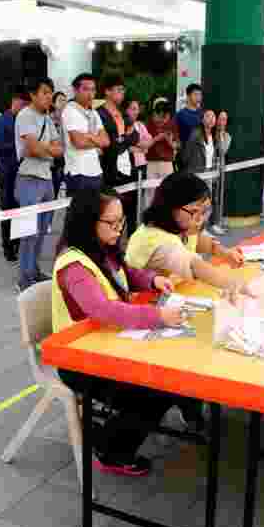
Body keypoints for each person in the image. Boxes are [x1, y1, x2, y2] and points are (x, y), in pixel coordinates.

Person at [53, 187, 181, 475]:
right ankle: (112, 450)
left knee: (164, 380)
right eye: (111, 223)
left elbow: (125, 274)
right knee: (157, 389)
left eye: (121, 221)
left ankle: (115, 431)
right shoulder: (74, 265)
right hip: (79, 361)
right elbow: (104, 310)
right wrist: (158, 316)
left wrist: (152, 280)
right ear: (88, 222)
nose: (119, 228)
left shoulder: (103, 249)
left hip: (107, 346)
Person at [125, 171, 251, 431]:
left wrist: (223, 251)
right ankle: (187, 405)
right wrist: (233, 284)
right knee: (195, 349)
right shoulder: (155, 238)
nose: (200, 219)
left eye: (205, 211)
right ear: (170, 208)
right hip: (140, 316)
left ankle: (190, 404)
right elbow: (194, 265)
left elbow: (198, 241)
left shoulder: (182, 225)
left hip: (168, 304)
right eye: (195, 212)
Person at [15, 76, 63, 291]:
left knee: (42, 230)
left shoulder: (47, 119)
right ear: (33, 95)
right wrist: (48, 150)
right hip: (28, 178)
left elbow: (59, 149)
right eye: (44, 92)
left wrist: (44, 149)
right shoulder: (25, 116)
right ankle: (23, 278)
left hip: (46, 179)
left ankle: (34, 271)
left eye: (50, 93)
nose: (49, 97)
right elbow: (31, 149)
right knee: (28, 232)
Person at [97, 75, 140, 227]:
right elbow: (108, 144)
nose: (122, 93)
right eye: (119, 89)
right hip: (109, 172)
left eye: (123, 90)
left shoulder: (123, 113)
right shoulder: (99, 114)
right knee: (110, 217)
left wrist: (122, 138)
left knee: (130, 215)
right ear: (107, 91)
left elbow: (135, 136)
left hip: (128, 170)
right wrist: (123, 138)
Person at [0, 89, 29, 263]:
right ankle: (8, 247)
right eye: (23, 103)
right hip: (8, 173)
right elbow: (1, 147)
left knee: (22, 209)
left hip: (24, 172)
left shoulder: (25, 120)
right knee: (8, 209)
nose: (24, 107)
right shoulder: (1, 121)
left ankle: (19, 243)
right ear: (15, 101)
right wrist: (23, 146)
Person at [63, 73, 110, 194]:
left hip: (95, 170)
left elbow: (106, 141)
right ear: (75, 91)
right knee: (80, 207)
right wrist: (97, 140)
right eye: (85, 89)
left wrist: (89, 136)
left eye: (93, 90)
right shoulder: (70, 111)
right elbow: (79, 143)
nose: (90, 94)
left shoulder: (93, 113)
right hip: (78, 172)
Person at [208, 110, 233, 233]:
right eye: (220, 119)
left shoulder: (227, 136)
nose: (222, 122)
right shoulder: (210, 134)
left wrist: (221, 135)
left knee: (218, 196)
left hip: (220, 170)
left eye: (224, 119)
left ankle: (216, 222)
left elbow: (223, 150)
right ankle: (211, 223)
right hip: (209, 169)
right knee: (210, 196)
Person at [145, 100, 178, 190]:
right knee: (151, 191)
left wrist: (168, 140)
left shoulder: (172, 124)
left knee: (166, 190)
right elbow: (144, 144)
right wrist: (157, 138)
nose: (162, 119)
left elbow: (176, 145)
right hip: (151, 161)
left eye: (166, 116)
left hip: (166, 162)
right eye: (159, 114)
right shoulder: (149, 124)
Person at [182, 108, 218, 174]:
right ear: (202, 120)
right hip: (197, 172)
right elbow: (186, 155)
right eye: (208, 116)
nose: (211, 119)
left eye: (213, 116)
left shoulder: (214, 136)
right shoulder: (195, 134)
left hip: (210, 172)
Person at [127, 98, 155, 184]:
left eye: (137, 109)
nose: (136, 112)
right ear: (126, 110)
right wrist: (142, 148)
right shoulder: (122, 125)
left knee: (141, 190)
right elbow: (126, 147)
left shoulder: (140, 125)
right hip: (128, 166)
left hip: (142, 165)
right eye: (133, 109)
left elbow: (150, 142)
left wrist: (136, 146)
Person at [50, 91, 67, 198]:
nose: (63, 103)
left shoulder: (68, 120)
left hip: (66, 160)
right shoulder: (49, 120)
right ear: (53, 103)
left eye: (65, 100)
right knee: (53, 191)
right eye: (60, 100)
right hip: (53, 162)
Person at [174, 83, 203, 147]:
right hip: (185, 151)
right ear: (188, 96)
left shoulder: (203, 114)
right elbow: (175, 136)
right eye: (195, 94)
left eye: (200, 94)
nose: (198, 97)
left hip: (201, 150)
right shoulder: (180, 115)